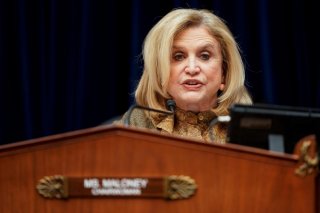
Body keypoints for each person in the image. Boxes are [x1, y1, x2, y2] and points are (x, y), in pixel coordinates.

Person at [115, 8, 252, 144]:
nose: (192, 69)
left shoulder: (249, 130)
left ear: (224, 73)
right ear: (159, 72)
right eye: (178, 56)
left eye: (205, 56)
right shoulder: (135, 125)